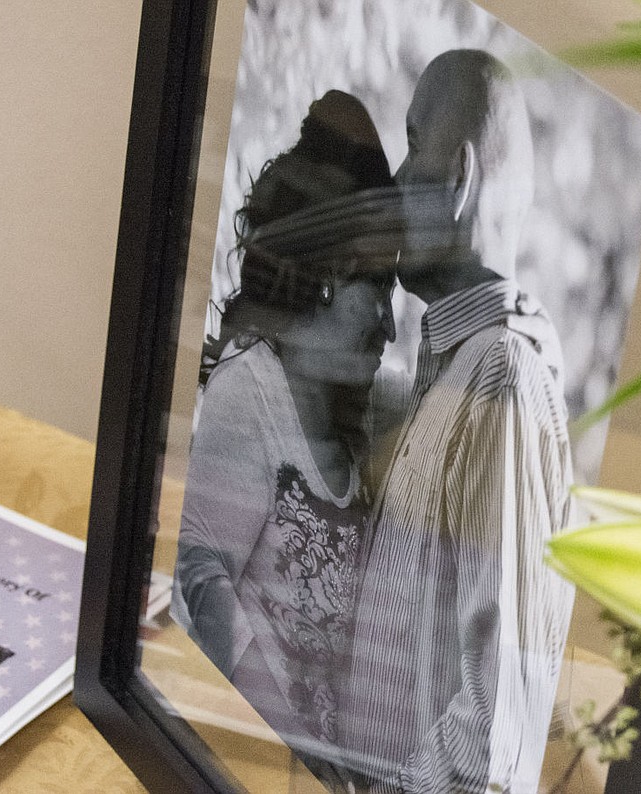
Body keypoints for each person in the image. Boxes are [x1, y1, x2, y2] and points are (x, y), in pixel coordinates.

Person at [342, 50, 575, 794]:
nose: (397, 179)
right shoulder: (454, 369)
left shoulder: (500, 382)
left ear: (462, 178)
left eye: (413, 146)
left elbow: (492, 733)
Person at [173, 90, 400, 783]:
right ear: (331, 275)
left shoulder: (362, 411)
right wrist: (303, 750)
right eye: (381, 289)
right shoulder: (250, 394)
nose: (390, 326)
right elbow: (200, 586)